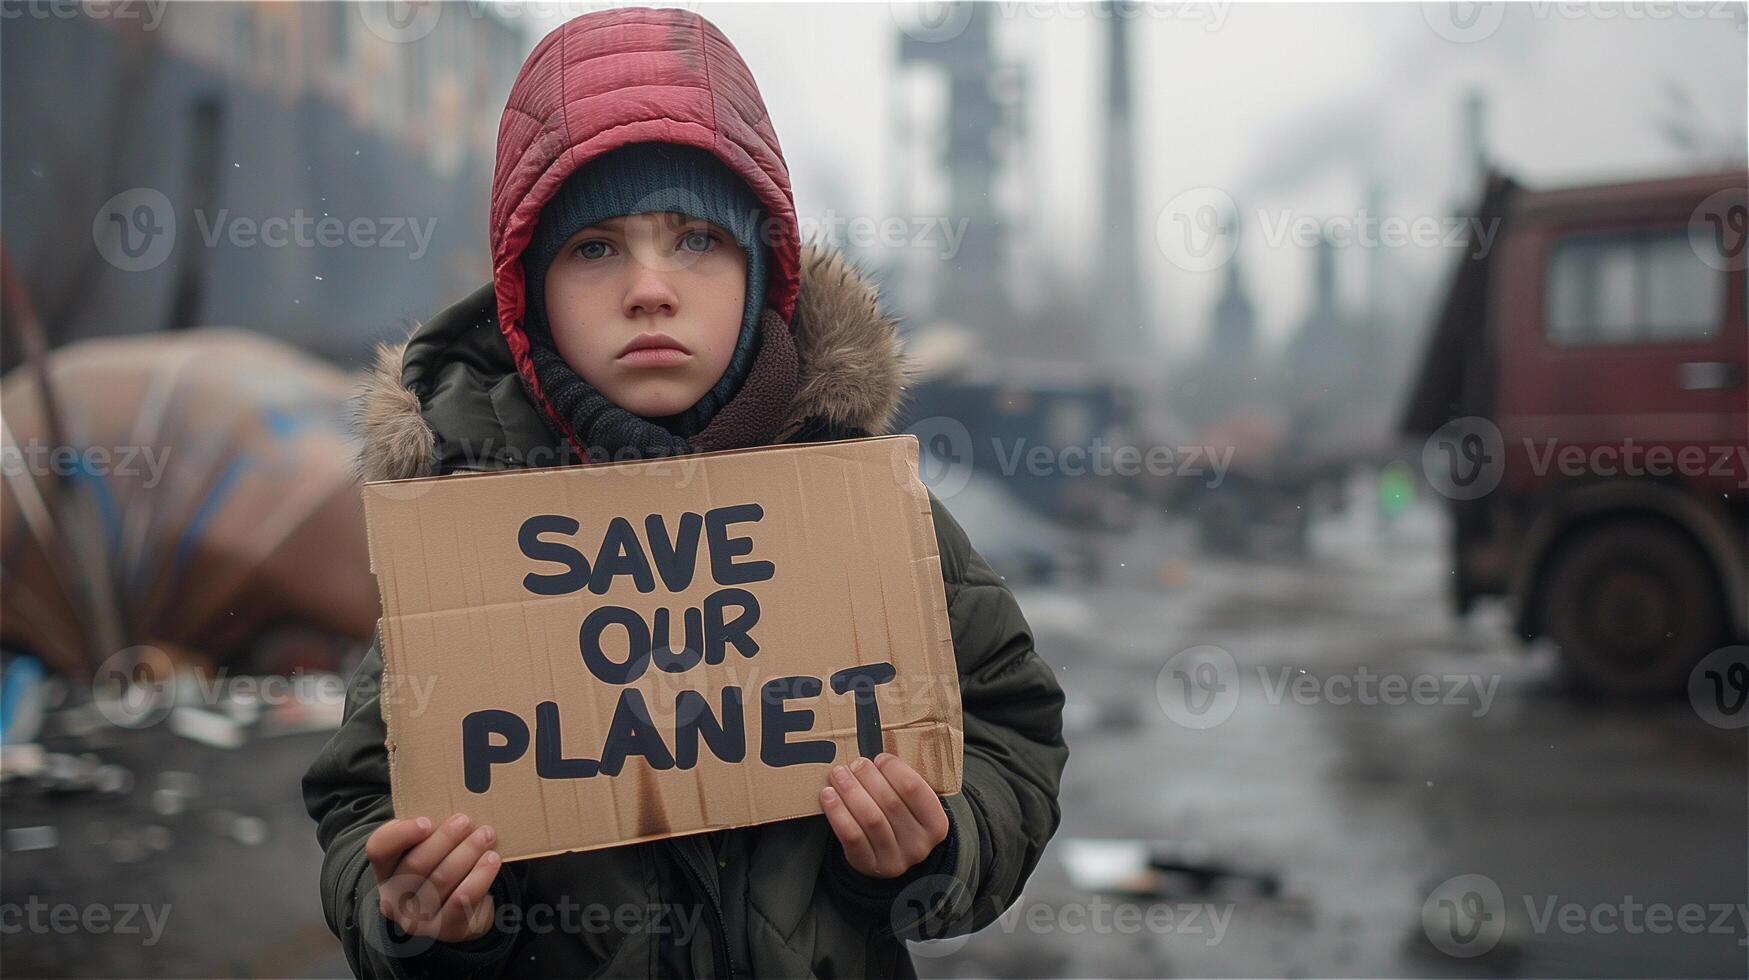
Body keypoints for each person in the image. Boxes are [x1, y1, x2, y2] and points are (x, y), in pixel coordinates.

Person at [302, 7, 1067, 977]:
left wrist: (937, 843)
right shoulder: (467, 520)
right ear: (528, 290)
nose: (650, 289)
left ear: (762, 271)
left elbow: (1013, 730)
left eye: (697, 239)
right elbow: (364, 799)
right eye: (595, 249)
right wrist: (413, 908)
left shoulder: (859, 511)